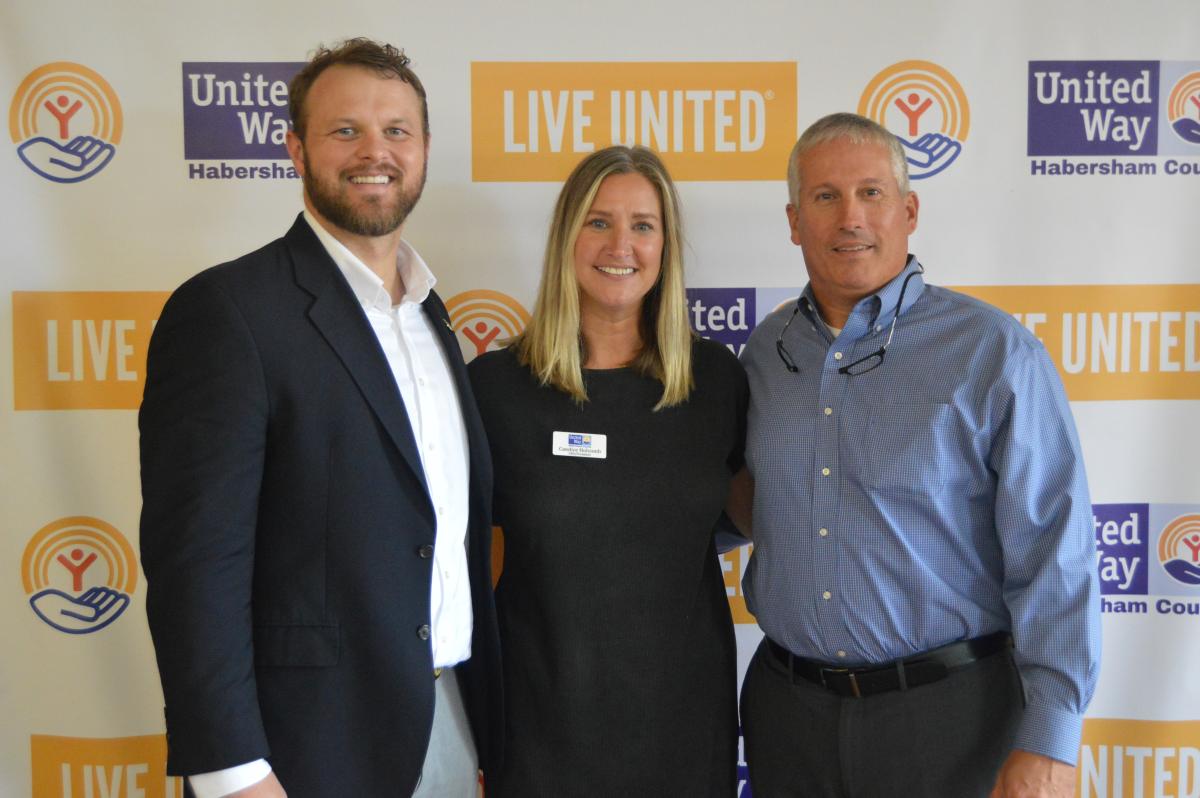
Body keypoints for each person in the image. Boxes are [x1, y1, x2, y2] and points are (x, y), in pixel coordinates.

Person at [139, 39, 500, 798]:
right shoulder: (228, 312)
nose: (375, 152)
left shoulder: (432, 316)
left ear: (424, 150)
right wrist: (231, 769)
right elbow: (196, 565)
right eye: (345, 130)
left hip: (448, 720)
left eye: (397, 131)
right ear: (296, 149)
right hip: (303, 751)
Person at [730, 113, 1101, 798]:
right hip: (789, 715)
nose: (850, 217)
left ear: (909, 211)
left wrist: (1049, 737)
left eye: (871, 193)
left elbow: (1055, 551)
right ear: (794, 221)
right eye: (825, 196)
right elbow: (735, 501)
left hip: (949, 718)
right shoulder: (766, 352)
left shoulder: (994, 352)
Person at [467, 146, 747, 798]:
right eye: (598, 222)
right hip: (539, 735)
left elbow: (753, 513)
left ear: (665, 246)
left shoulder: (716, 382)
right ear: (567, 236)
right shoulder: (495, 389)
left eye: (643, 225)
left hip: (686, 731)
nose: (621, 245)